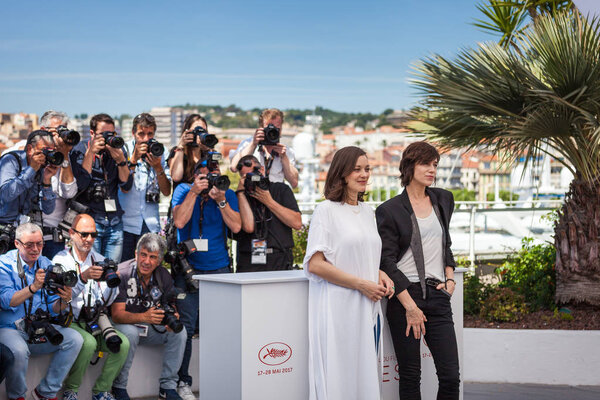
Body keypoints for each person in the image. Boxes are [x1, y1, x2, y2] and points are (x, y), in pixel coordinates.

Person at [303, 146, 394, 399]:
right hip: (339, 309)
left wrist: (378, 273)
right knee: (340, 377)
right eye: (357, 169)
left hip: (368, 308)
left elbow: (361, 252)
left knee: (364, 377)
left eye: (367, 169)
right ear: (342, 174)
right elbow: (316, 264)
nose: (364, 174)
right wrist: (360, 284)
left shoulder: (368, 211)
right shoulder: (326, 211)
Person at [376, 141, 460, 400]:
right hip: (405, 298)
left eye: (435, 164)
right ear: (409, 166)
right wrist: (410, 306)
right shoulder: (388, 210)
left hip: (437, 295)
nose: (432, 169)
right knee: (411, 376)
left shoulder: (443, 199)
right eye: (426, 164)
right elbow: (386, 262)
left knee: (450, 376)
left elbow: (445, 242)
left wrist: (449, 277)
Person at [171, 156, 241, 399]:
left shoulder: (225, 193)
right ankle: (183, 382)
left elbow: (237, 227)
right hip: (188, 268)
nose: (210, 177)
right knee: (186, 329)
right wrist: (194, 192)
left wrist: (221, 201)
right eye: (205, 173)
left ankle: (222, 377)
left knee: (220, 327)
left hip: (219, 269)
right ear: (195, 174)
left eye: (214, 172)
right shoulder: (183, 190)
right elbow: (179, 220)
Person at [0, 223, 83, 400]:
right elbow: (7, 300)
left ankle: (45, 392)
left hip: (38, 327)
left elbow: (54, 309)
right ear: (16, 243)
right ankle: (17, 396)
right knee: (19, 351)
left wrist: (64, 299)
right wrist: (33, 287)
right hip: (10, 329)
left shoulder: (46, 263)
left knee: (74, 339)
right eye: (29, 244)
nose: (35, 249)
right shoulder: (4, 264)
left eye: (39, 244)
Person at [52, 214, 130, 400]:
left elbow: (107, 302)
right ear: (71, 233)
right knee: (88, 343)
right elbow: (61, 302)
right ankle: (71, 390)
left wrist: (113, 284)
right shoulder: (60, 261)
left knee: (123, 344)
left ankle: (101, 391)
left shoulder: (100, 259)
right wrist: (83, 278)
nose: (89, 239)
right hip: (69, 318)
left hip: (94, 318)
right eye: (84, 234)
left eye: (93, 235)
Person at [111, 233, 186, 400]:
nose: (146, 261)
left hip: (148, 327)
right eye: (143, 255)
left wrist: (172, 315)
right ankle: (119, 386)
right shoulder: (122, 273)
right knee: (130, 333)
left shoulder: (163, 275)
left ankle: (167, 387)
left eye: (152, 257)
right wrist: (145, 317)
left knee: (179, 331)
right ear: (136, 254)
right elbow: (116, 315)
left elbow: (170, 302)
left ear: (159, 260)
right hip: (123, 326)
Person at [70, 114, 133, 262]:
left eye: (111, 134)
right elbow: (81, 184)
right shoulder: (79, 149)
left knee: (111, 270)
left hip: (114, 221)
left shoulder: (118, 149)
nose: (108, 139)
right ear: (92, 133)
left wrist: (121, 161)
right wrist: (90, 153)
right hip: (90, 222)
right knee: (91, 269)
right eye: (103, 135)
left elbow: (126, 185)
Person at [234, 155, 302, 271]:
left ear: (262, 170)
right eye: (246, 177)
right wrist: (241, 193)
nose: (252, 178)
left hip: (279, 258)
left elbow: (296, 223)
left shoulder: (281, 189)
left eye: (254, 173)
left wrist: (269, 201)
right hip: (249, 260)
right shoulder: (239, 197)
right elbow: (248, 227)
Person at [119, 113, 172, 261]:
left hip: (150, 223)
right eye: (141, 134)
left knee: (149, 270)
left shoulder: (160, 151)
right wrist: (134, 159)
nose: (146, 139)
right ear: (133, 133)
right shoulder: (124, 150)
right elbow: (124, 187)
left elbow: (167, 191)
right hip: (125, 223)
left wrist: (158, 168)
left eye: (150, 134)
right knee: (125, 269)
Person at [0, 131, 59, 251]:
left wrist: (47, 181)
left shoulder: (43, 168)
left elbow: (48, 209)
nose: (46, 156)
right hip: (3, 231)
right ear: (29, 149)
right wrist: (31, 169)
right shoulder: (11, 161)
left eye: (50, 151)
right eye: (44, 151)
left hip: (24, 234)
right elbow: (6, 194)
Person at [39, 111, 78, 259]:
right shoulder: (31, 153)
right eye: (57, 131)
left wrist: (64, 156)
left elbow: (68, 192)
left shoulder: (69, 156)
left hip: (55, 237)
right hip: (31, 233)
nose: (61, 136)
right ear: (43, 131)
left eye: (64, 131)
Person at [229, 108, 298, 188]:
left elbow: (294, 183)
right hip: (253, 194)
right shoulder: (248, 144)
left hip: (275, 196)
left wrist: (284, 157)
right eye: (268, 128)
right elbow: (234, 167)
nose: (273, 132)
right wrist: (253, 144)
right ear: (261, 128)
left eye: (277, 129)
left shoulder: (286, 151)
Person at [167, 114, 210, 189]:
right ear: (186, 132)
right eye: (196, 130)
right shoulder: (177, 151)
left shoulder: (208, 154)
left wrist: (207, 151)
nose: (199, 134)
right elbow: (176, 177)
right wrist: (181, 146)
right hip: (184, 198)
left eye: (203, 131)